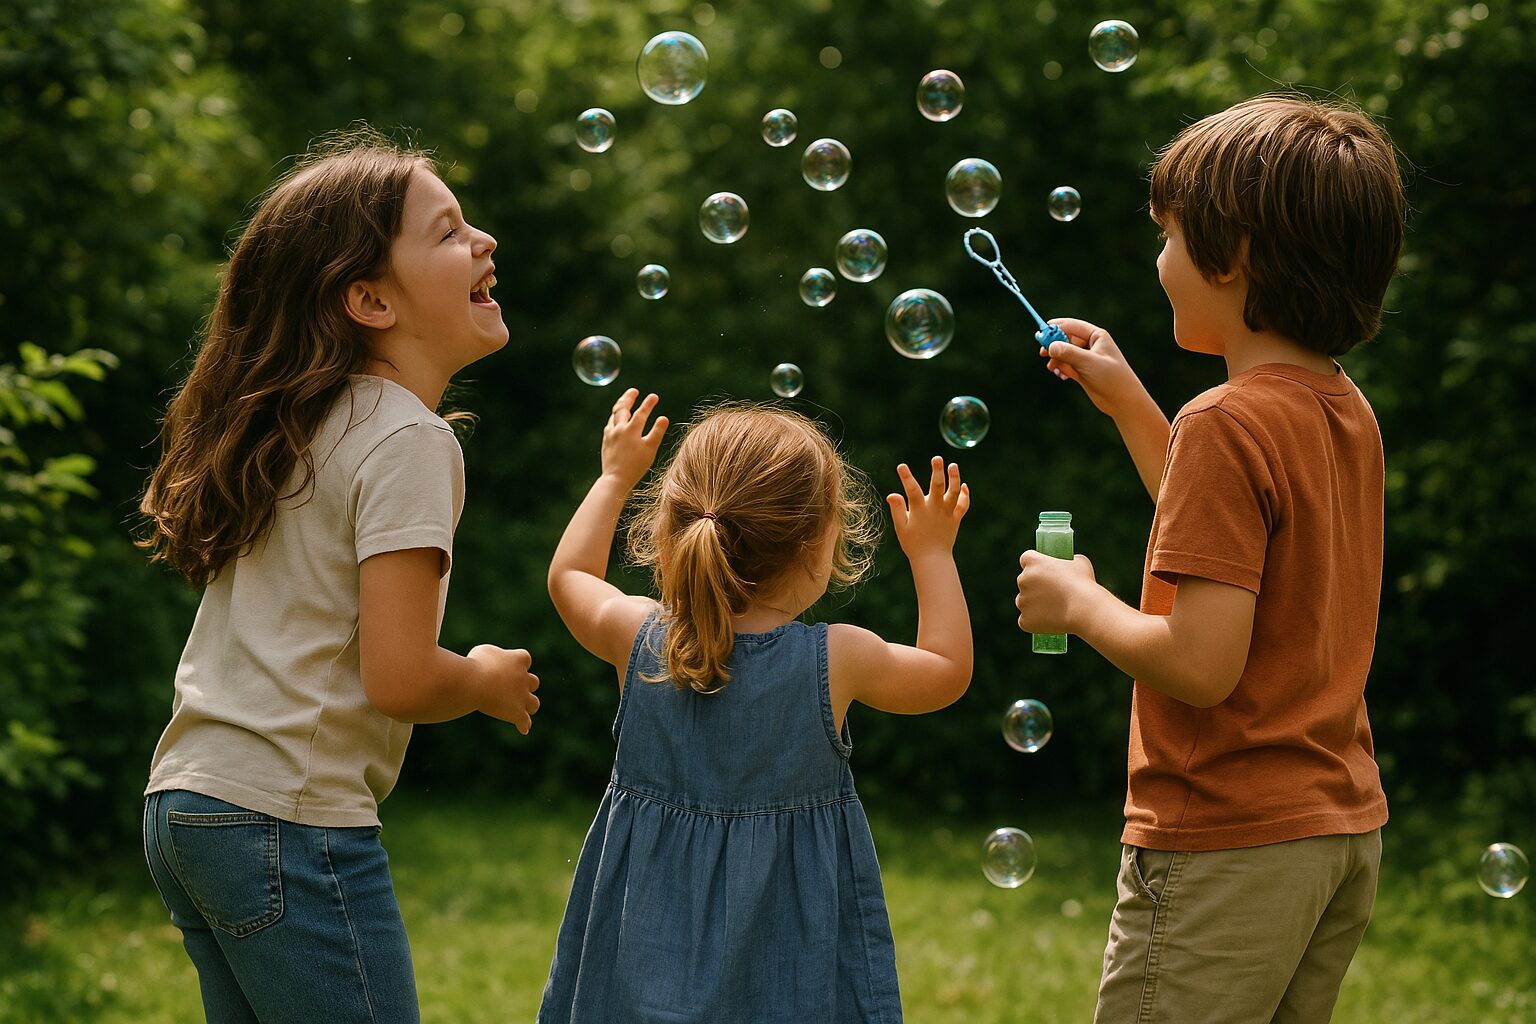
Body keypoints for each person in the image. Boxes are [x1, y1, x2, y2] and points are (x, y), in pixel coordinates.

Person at [1014, 92, 1406, 1023]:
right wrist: (1128, 403)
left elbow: (1200, 664)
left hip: (1225, 836)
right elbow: (1230, 547)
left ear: (1230, 260)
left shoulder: (1225, 422)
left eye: (1169, 238)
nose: (1157, 263)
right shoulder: (1341, 409)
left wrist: (1081, 602)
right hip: (1334, 832)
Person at [136, 129, 541, 1023]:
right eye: (446, 233)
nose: (485, 243)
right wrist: (481, 677)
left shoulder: (305, 423)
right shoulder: (408, 440)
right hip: (288, 818)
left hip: (193, 801)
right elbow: (397, 677)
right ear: (368, 298)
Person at [538, 390, 972, 1022]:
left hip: (645, 939)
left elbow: (568, 577)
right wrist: (932, 553)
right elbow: (947, 672)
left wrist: (612, 478)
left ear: (675, 527)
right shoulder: (836, 659)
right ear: (818, 543)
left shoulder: (641, 638)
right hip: (792, 955)